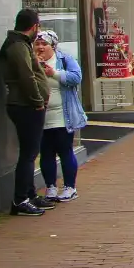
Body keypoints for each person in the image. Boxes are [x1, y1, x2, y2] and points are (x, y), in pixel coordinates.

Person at [0, 9, 53, 216]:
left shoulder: (21, 44)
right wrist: (37, 100)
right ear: (34, 26)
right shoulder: (18, 46)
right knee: (28, 155)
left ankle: (30, 194)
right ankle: (20, 200)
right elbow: (26, 76)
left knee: (31, 153)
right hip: (25, 105)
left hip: (27, 104)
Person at [34, 30, 87, 202]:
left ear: (53, 46)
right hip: (41, 116)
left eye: (44, 44)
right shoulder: (32, 60)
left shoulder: (64, 59)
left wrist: (54, 74)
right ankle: (50, 187)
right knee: (46, 152)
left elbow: (76, 77)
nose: (40, 47)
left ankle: (70, 187)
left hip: (62, 116)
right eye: (37, 44)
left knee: (65, 150)